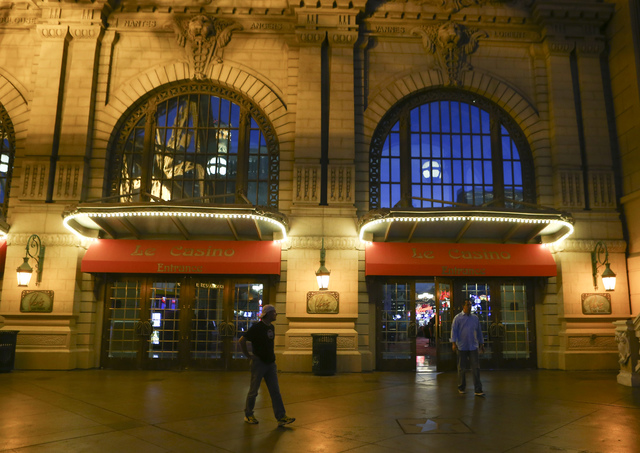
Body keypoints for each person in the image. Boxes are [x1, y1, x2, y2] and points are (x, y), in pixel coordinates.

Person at [239, 304, 295, 426]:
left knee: (275, 391)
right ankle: (248, 414)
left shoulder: (271, 327)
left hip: (270, 363)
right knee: (254, 391)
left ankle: (281, 416)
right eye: (274, 312)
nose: (276, 314)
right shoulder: (257, 327)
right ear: (267, 314)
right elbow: (242, 340)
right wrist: (249, 356)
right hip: (259, 363)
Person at [451, 299, 485, 396]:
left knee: (476, 368)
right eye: (467, 305)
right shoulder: (457, 318)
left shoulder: (475, 318)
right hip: (462, 346)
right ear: (463, 306)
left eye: (470, 305)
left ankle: (478, 389)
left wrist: (481, 343)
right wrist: (453, 343)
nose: (469, 307)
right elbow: (454, 331)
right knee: (461, 368)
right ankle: (461, 387)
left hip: (473, 346)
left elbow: (479, 331)